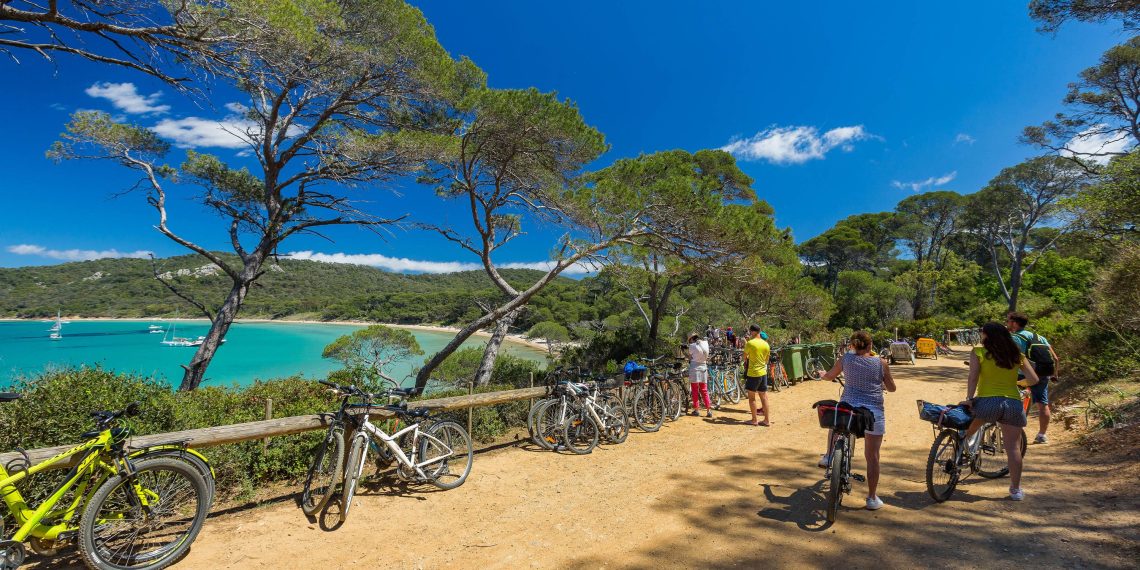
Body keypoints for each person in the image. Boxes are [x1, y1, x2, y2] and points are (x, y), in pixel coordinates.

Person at [962, 322, 1040, 501]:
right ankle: (1015, 490)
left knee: (966, 431)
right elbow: (1034, 379)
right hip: (1013, 403)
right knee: (1013, 448)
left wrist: (969, 398)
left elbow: (973, 377)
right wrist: (1018, 384)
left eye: (982, 333)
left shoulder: (979, 352)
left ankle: (962, 452)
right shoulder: (1016, 355)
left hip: (987, 402)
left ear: (987, 335)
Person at [820, 331, 896, 510]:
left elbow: (829, 376)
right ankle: (871, 498)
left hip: (849, 409)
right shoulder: (881, 363)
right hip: (872, 412)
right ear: (870, 346)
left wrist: (823, 374)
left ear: (853, 345)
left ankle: (829, 455)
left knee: (836, 423)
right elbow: (892, 388)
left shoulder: (846, 359)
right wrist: (881, 383)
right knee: (872, 456)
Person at [1006, 312, 1059, 444]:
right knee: (1043, 404)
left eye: (1008, 321)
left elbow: (1010, 358)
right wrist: (1054, 374)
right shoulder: (1039, 337)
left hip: (1022, 374)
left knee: (1013, 401)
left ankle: (1014, 434)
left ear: (1014, 323)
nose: (1006, 324)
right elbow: (1055, 358)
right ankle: (1042, 435)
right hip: (1043, 373)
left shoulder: (1015, 337)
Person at [740, 324, 771, 426]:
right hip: (763, 373)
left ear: (753, 332)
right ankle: (767, 420)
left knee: (752, 397)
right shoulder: (766, 344)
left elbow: (744, 357)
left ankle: (754, 420)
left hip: (753, 373)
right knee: (764, 397)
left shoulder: (750, 343)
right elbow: (766, 360)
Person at [686, 333, 713, 417]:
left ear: (691, 339)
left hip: (695, 368)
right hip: (704, 367)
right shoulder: (705, 343)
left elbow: (690, 357)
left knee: (695, 390)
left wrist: (685, 353)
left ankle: (696, 410)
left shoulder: (692, 346)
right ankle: (709, 410)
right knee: (704, 390)